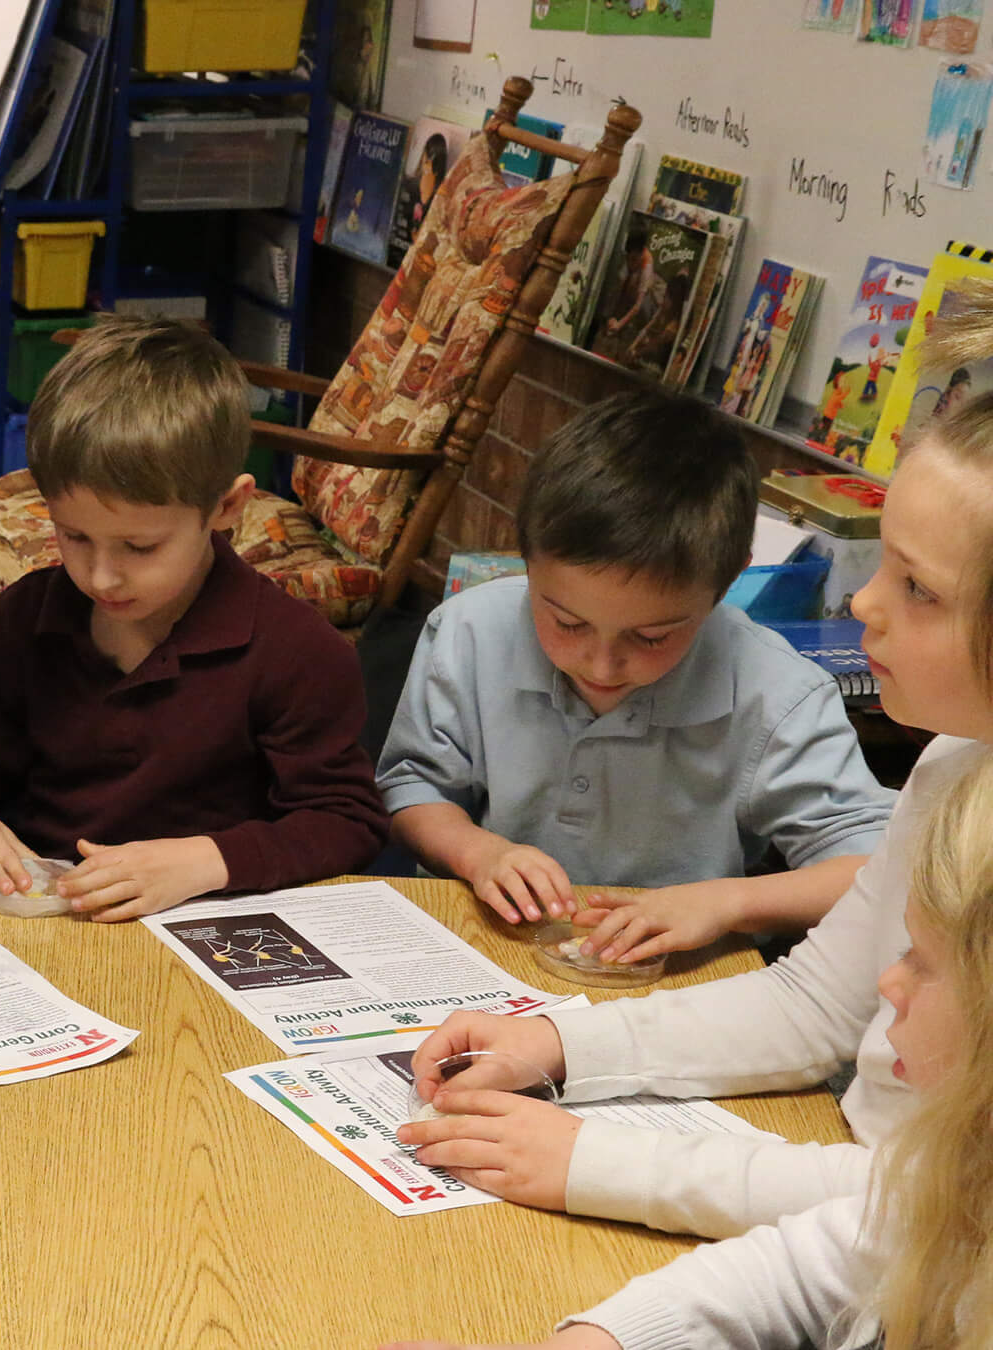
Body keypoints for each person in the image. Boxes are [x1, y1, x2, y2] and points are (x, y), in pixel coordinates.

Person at [392, 327, 993, 1240]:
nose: (862, 602)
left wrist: (593, 1161)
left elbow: (929, 1206)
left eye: (914, 585)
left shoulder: (812, 705)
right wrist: (557, 1044)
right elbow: (819, 1006)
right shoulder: (955, 760)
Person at [382, 747, 993, 1350]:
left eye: (924, 963)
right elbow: (842, 1249)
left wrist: (601, 1163)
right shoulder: (957, 764)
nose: (887, 985)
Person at [379, 389, 892, 958]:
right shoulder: (468, 632)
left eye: (652, 637)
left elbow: (874, 868)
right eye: (567, 622)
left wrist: (724, 903)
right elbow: (411, 785)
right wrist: (478, 853)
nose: (601, 664)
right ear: (525, 558)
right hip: (488, 945)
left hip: (675, 976)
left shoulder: (779, 694)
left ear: (728, 583)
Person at [0, 317, 390, 919]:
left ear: (227, 506)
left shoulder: (296, 650)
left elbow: (346, 821)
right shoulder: (32, 610)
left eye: (140, 548)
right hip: (40, 922)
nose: (102, 576)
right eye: (74, 536)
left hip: (198, 928)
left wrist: (207, 860)